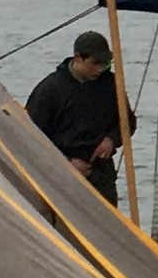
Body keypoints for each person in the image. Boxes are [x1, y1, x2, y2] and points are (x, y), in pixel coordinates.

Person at [28, 31, 135, 203]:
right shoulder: (49, 90)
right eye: (95, 63)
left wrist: (112, 139)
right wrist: (66, 164)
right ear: (78, 58)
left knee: (106, 226)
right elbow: (30, 137)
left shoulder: (111, 84)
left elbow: (128, 122)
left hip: (102, 177)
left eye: (105, 63)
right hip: (60, 178)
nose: (100, 69)